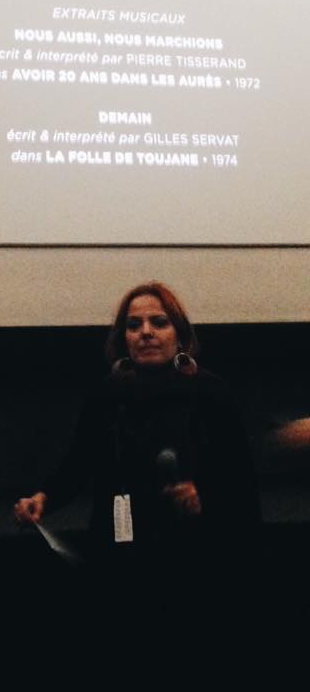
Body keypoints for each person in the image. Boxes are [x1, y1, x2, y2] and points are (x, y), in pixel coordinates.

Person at [14, 282, 261, 662]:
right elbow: (78, 463)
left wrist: (205, 495)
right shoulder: (107, 395)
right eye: (134, 325)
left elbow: (241, 482)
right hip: (120, 561)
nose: (145, 332)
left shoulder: (211, 394)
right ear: (122, 338)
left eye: (158, 322)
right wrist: (43, 498)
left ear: (180, 335)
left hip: (193, 564)